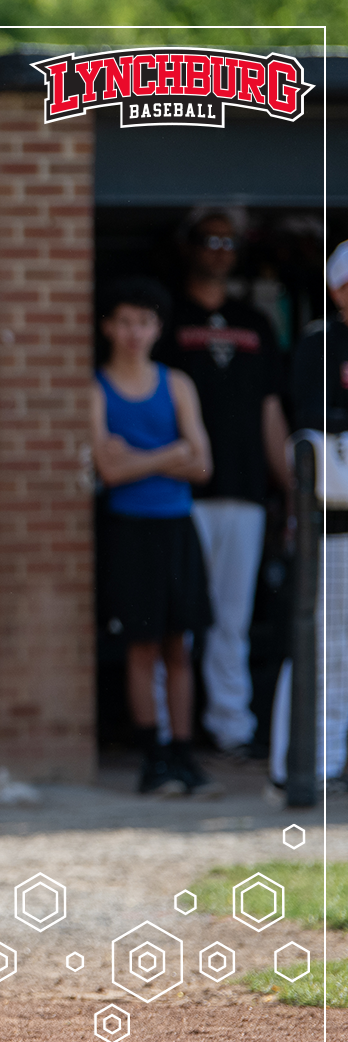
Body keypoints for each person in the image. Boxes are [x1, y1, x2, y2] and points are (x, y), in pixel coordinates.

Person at [159, 209, 290, 756]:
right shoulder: (167, 317)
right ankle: (167, 731)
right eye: (209, 241)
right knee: (176, 618)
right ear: (188, 246)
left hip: (245, 491)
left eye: (228, 242)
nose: (220, 251)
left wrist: (292, 491)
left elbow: (270, 412)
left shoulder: (255, 323)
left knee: (231, 619)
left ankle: (231, 726)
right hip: (179, 493)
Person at [91, 278, 219, 796]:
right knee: (141, 649)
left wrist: (138, 458)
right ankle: (153, 758)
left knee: (179, 648)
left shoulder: (178, 384)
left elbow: (203, 465)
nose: (134, 332)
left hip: (177, 528)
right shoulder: (95, 389)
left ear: (157, 329)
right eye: (125, 322)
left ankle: (185, 756)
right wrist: (173, 453)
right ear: (108, 327)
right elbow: (109, 472)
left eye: (143, 322)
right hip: (130, 531)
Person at [269, 241, 348, 794]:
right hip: (333, 529)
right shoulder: (320, 344)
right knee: (322, 645)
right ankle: (307, 763)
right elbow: (313, 438)